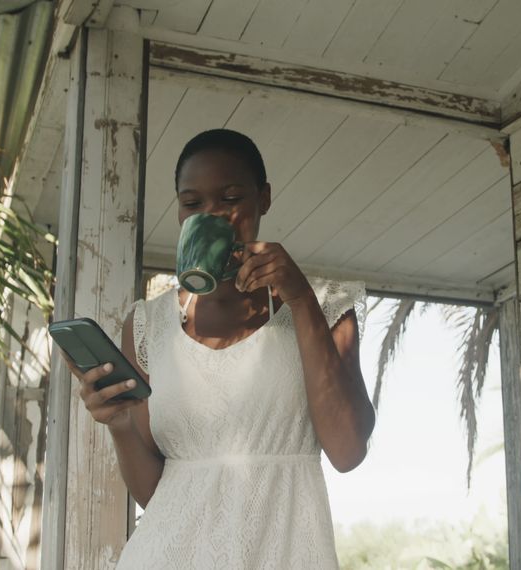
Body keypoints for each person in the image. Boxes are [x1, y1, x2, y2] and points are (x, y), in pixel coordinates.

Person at [66, 129, 376, 568]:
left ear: (263, 198)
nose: (213, 215)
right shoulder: (147, 325)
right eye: (192, 204)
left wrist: (301, 299)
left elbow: (347, 451)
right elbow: (159, 494)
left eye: (231, 198)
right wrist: (118, 424)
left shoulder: (326, 308)